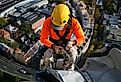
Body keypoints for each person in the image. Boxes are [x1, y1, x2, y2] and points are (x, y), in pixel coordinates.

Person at [40, 4, 85, 70]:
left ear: (68, 18)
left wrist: (73, 43)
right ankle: (48, 70)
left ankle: (69, 69)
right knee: (47, 56)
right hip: (53, 44)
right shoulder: (47, 22)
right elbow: (43, 38)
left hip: (67, 44)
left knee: (73, 54)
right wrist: (53, 46)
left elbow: (81, 38)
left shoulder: (74, 23)